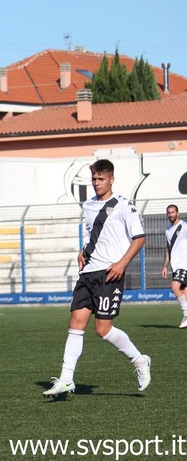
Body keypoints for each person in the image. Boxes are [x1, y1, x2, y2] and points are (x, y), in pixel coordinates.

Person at [44, 159, 151, 397]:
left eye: (101, 179)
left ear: (111, 179)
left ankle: (139, 361)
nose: (96, 183)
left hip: (109, 273)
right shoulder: (88, 205)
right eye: (93, 179)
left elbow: (140, 238)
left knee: (103, 330)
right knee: (75, 323)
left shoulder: (124, 205)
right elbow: (93, 234)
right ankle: (66, 379)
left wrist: (122, 264)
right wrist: (83, 250)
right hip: (88, 272)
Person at [161, 204, 187, 328]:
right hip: (175, 265)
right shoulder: (167, 230)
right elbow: (168, 250)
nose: (171, 215)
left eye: (173, 212)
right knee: (183, 291)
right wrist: (165, 265)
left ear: (178, 213)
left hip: (184, 264)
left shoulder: (184, 226)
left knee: (174, 286)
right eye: (169, 213)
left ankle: (186, 313)